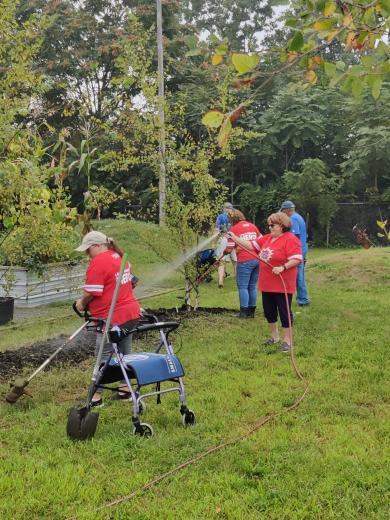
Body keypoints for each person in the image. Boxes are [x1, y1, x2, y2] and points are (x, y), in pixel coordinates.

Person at [75, 230, 141, 406]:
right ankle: (125, 390)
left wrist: (81, 303)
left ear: (97, 246)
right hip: (131, 314)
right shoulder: (119, 257)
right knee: (125, 353)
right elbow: (131, 281)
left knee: (102, 355)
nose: (88, 255)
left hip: (111, 317)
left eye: (88, 250)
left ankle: (96, 397)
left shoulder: (99, 262)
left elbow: (92, 292)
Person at [228, 212, 302, 352]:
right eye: (269, 225)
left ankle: (288, 341)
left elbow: (297, 258)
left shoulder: (290, 239)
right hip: (267, 284)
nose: (269, 227)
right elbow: (250, 245)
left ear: (282, 225)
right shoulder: (267, 239)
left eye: (272, 225)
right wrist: (234, 237)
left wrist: (283, 267)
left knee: (284, 312)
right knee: (269, 312)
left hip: (282, 285)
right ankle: (274, 338)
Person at [226, 209, 261, 318]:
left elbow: (229, 248)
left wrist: (225, 252)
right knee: (252, 286)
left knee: (243, 286)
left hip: (245, 261)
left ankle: (243, 313)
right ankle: (251, 312)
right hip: (257, 260)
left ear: (231, 219)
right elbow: (261, 240)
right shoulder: (252, 226)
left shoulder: (234, 229)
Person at [280, 201, 310, 306]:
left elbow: (294, 236)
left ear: (286, 210)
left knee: (298, 276)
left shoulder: (292, 219)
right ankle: (302, 298)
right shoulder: (298, 216)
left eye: (283, 212)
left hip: (297, 251)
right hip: (302, 249)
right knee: (299, 275)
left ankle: (303, 300)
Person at [214, 202, 237, 288]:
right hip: (233, 239)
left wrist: (215, 241)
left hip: (223, 239)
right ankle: (237, 279)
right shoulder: (235, 217)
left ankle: (220, 281)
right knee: (235, 261)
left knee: (221, 261)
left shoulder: (220, 217)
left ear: (224, 208)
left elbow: (217, 229)